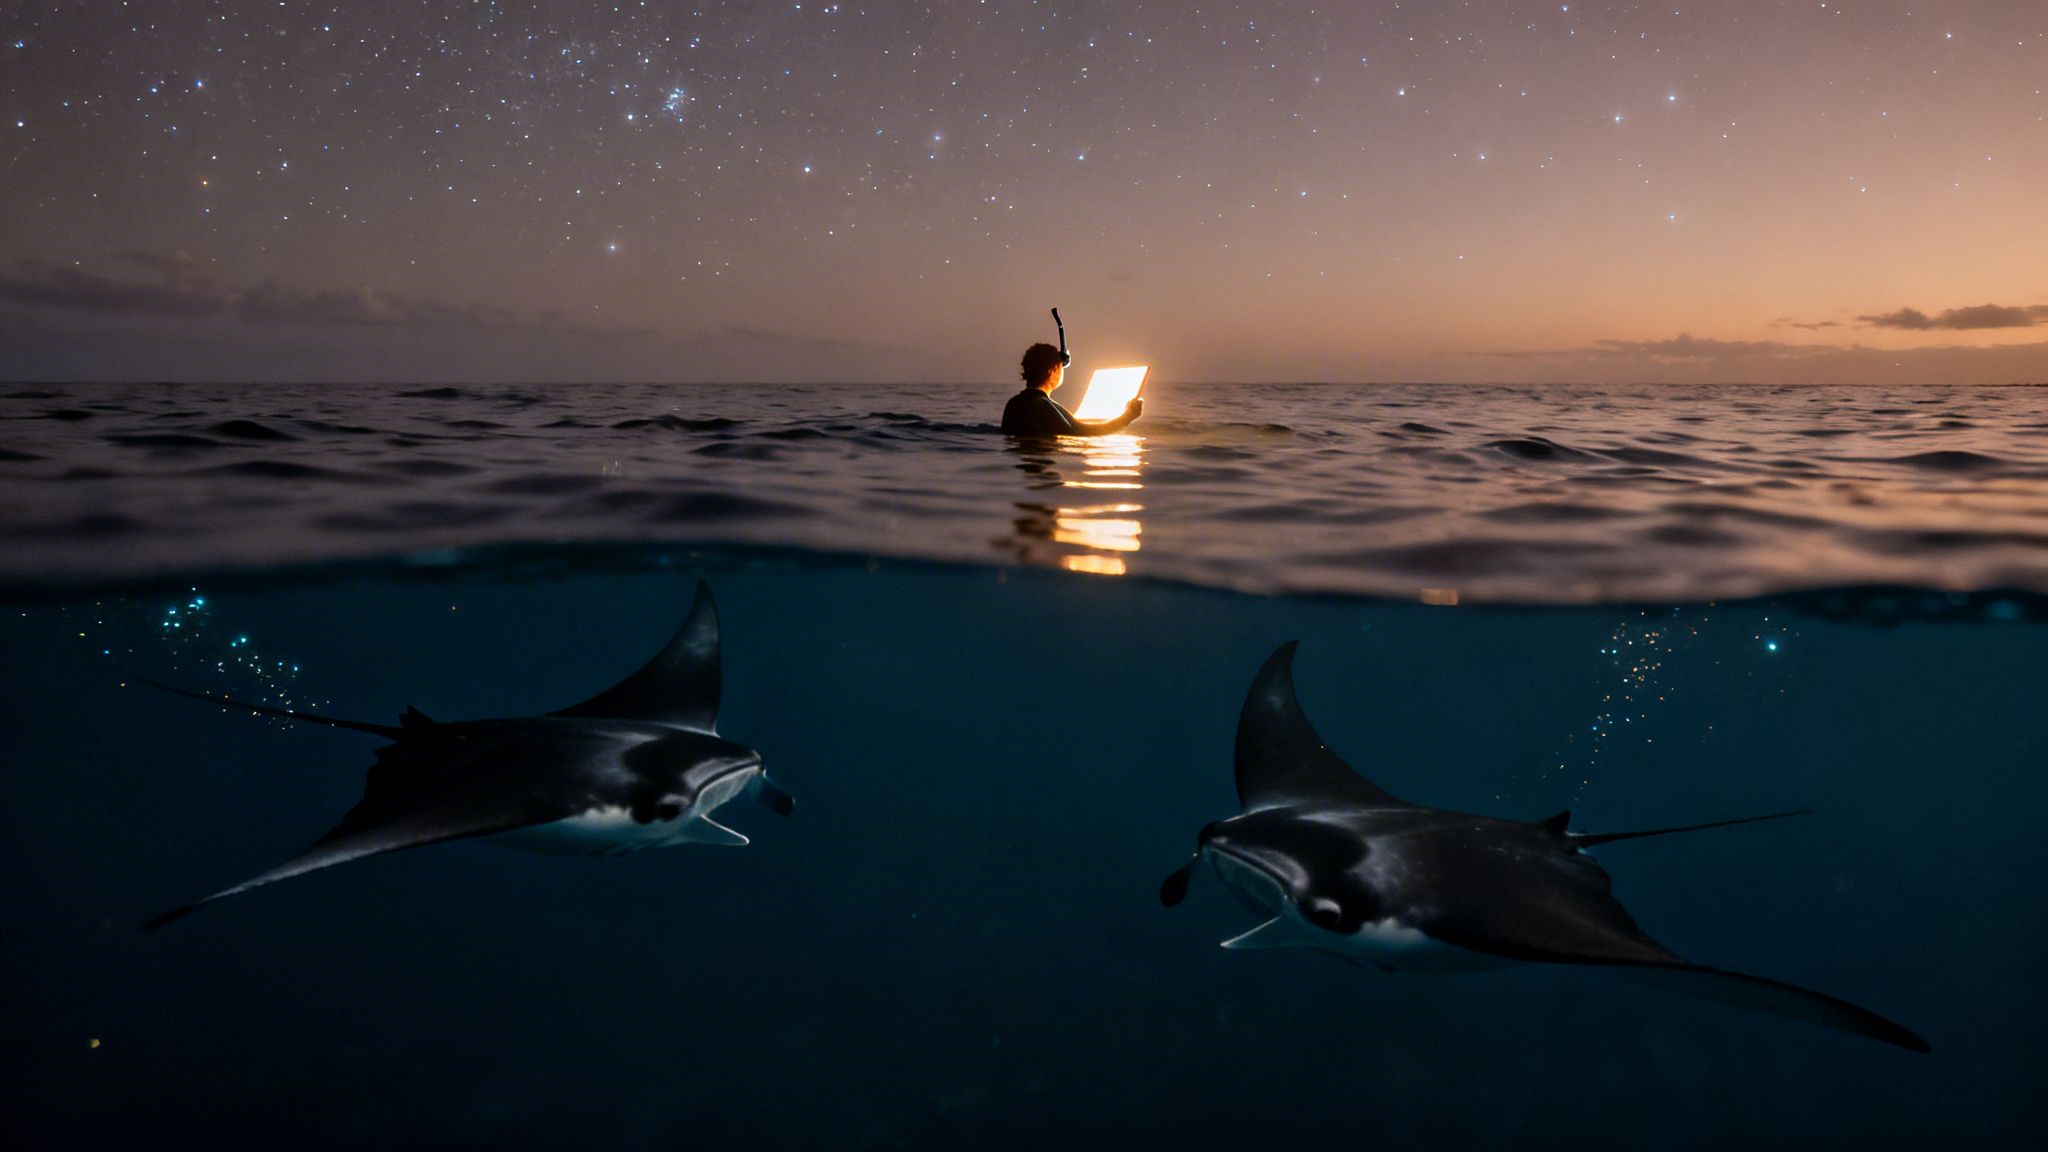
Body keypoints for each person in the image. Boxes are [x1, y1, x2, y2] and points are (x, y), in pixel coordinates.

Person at [1000, 342, 1143, 437]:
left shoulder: (1014, 402)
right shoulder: (1042, 405)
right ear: (1052, 370)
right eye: (1062, 366)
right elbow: (1078, 433)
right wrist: (1126, 418)